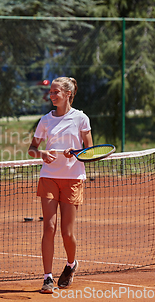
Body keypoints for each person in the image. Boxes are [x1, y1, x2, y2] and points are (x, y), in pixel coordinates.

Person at [27, 76, 93, 294]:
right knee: (49, 227)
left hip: (73, 178)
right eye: (51, 92)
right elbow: (32, 148)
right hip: (49, 177)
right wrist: (42, 153)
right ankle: (47, 277)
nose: (52, 95)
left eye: (56, 92)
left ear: (68, 94)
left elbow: (89, 150)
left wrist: (75, 152)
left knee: (67, 232)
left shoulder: (81, 118)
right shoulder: (46, 120)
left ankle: (71, 264)